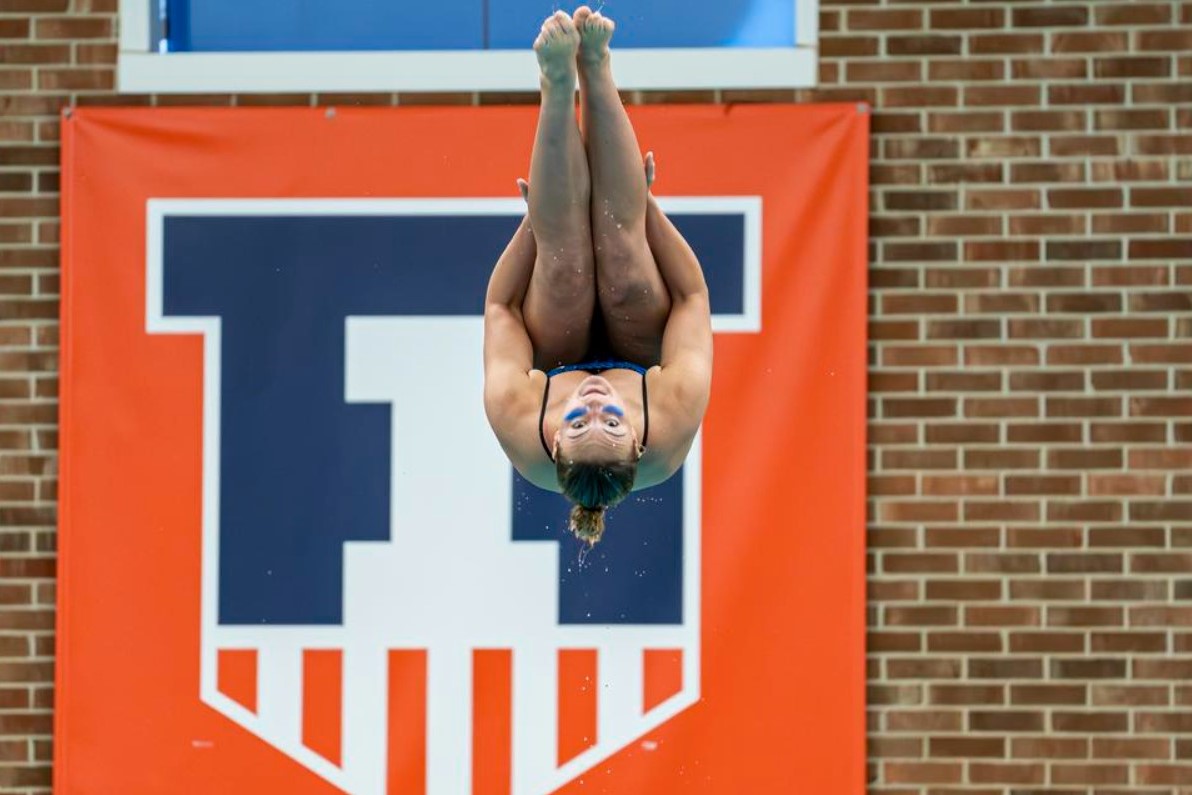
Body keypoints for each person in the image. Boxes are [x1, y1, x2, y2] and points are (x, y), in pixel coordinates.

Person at [483, 6, 712, 546]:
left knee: (564, 266)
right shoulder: (673, 415)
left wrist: (536, 221)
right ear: (636, 441)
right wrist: (648, 205)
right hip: (642, 349)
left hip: (552, 350)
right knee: (623, 256)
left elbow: (501, 308)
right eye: (609, 422)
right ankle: (597, 63)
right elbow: (691, 297)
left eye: (576, 423)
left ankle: (557, 81)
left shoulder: (517, 418)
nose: (591, 403)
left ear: (555, 444)